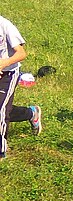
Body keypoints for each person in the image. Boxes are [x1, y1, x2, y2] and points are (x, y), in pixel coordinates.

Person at [0, 14, 41, 160]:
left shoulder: (5, 26)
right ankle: (31, 113)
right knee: (4, 108)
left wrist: (3, 64)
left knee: (1, 110)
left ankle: (1, 151)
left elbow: (22, 53)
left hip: (8, 73)